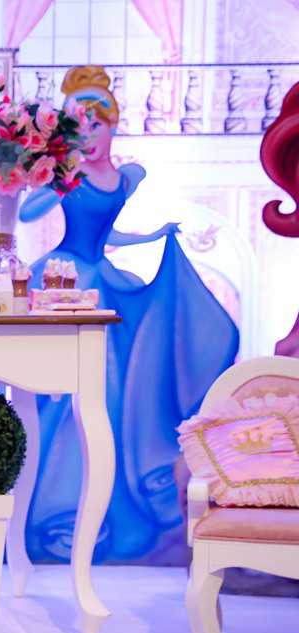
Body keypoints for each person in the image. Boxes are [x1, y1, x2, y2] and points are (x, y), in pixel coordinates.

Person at [17, 66, 238, 564]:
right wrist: (49, 173)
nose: (89, 135)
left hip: (103, 279)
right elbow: (30, 215)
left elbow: (109, 234)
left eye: (97, 124)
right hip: (63, 275)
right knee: (57, 392)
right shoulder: (67, 173)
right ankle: (51, 507)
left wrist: (155, 236)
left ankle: (106, 505)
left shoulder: (127, 178)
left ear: (113, 125)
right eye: (79, 126)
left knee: (111, 392)